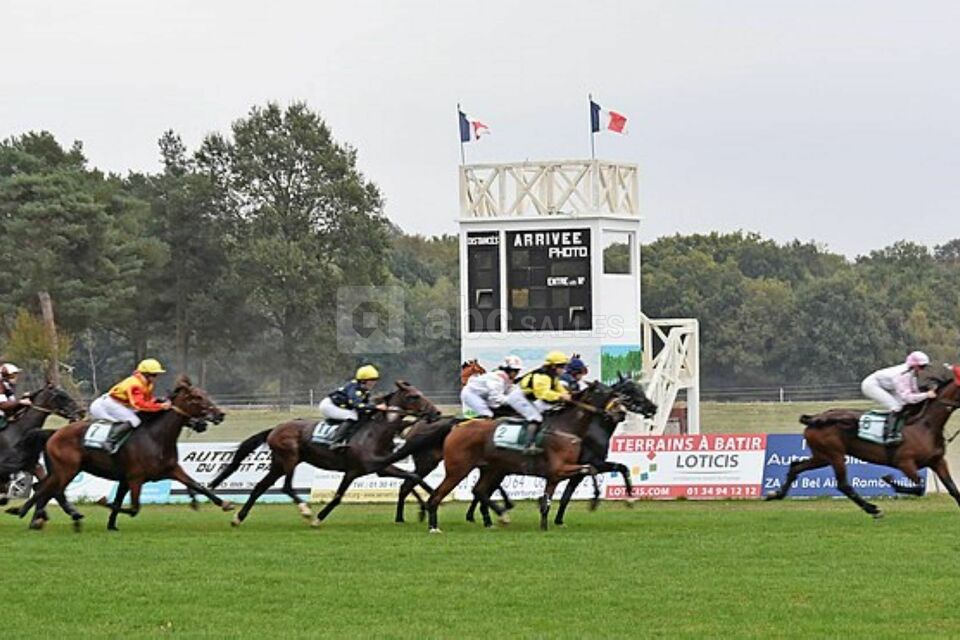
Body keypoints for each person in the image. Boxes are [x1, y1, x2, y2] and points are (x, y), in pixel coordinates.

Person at [88, 358, 172, 453]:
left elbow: (146, 400)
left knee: (139, 417)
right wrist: (161, 406)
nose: (156, 377)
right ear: (146, 374)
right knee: (134, 420)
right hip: (107, 404)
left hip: (120, 403)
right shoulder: (135, 384)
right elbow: (139, 405)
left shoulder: (148, 384)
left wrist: (157, 400)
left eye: (156, 374)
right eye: (154, 374)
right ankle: (109, 441)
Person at [505, 351, 572, 455]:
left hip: (530, 398)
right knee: (536, 417)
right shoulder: (541, 376)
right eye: (562, 366)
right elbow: (543, 394)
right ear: (553, 366)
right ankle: (528, 445)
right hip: (519, 398)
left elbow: (559, 389)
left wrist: (569, 395)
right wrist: (560, 396)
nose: (564, 369)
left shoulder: (552, 376)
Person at [861, 351, 937, 438]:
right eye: (921, 366)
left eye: (924, 367)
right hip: (871, 385)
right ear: (913, 365)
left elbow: (914, 391)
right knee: (896, 407)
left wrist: (926, 393)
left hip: (887, 386)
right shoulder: (902, 375)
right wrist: (926, 395)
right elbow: (908, 398)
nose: (922, 369)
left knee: (903, 405)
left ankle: (901, 428)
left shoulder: (911, 372)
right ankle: (889, 433)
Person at [320, 365, 387, 450]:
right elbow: (358, 406)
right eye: (372, 380)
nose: (375, 382)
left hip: (339, 406)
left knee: (361, 415)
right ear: (363, 381)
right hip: (329, 406)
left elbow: (364, 409)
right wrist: (376, 407)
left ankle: (350, 437)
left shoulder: (364, 390)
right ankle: (335, 442)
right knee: (352, 416)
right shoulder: (354, 389)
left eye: (375, 380)